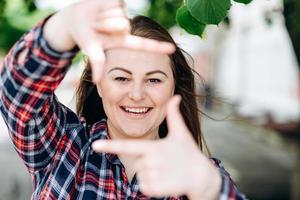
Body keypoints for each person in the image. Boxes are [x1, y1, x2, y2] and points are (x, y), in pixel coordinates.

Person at [0, 0, 246, 199]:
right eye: (121, 78)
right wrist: (62, 26)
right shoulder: (62, 145)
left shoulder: (199, 175)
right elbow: (17, 94)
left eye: (154, 80)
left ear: (174, 88)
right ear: (99, 84)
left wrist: (208, 191)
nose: (137, 94)